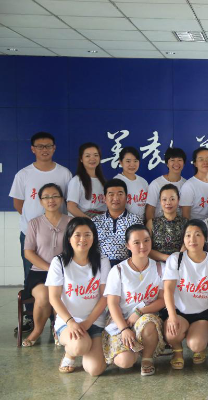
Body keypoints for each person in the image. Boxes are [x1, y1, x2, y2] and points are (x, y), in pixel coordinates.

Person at [10, 132, 72, 333]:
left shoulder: (64, 173)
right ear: (33, 149)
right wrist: (38, 225)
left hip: (60, 232)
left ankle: (57, 320)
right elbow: (18, 204)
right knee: (31, 273)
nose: (44, 149)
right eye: (40, 146)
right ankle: (30, 317)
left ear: (54, 148)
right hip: (32, 233)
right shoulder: (23, 174)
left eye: (48, 146)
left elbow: (68, 201)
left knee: (62, 275)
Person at [45, 217, 110, 376]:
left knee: (95, 370)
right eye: (77, 235)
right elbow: (54, 298)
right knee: (80, 346)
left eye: (87, 235)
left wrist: (88, 322)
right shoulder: (58, 262)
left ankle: (89, 347)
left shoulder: (102, 261)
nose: (83, 239)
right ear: (69, 238)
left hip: (94, 320)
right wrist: (71, 322)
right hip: (68, 322)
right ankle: (70, 354)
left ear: (94, 237)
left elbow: (105, 296)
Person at [162, 219, 208, 369]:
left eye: (197, 235)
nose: (192, 239)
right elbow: (168, 290)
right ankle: (177, 350)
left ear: (205, 238)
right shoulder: (175, 259)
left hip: (202, 314)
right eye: (188, 235)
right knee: (172, 334)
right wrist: (172, 316)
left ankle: (199, 347)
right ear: (184, 239)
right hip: (179, 312)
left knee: (196, 344)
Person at [102, 225, 166, 376]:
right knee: (125, 362)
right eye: (136, 242)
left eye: (146, 240)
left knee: (149, 322)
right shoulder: (118, 270)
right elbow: (112, 303)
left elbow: (163, 300)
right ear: (128, 245)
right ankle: (132, 349)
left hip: (146, 317)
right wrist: (124, 329)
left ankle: (147, 358)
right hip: (120, 319)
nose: (142, 246)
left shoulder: (160, 268)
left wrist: (139, 311)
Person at [22, 183, 73, 346]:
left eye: (55, 196)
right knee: (44, 296)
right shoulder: (34, 223)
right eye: (46, 197)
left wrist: (62, 269)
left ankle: (59, 329)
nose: (51, 200)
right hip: (40, 272)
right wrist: (51, 269)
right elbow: (28, 252)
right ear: (40, 201)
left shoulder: (71, 222)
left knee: (64, 296)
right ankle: (37, 330)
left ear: (62, 199)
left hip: (66, 271)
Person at [92, 179, 143, 266]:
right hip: (100, 267)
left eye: (120, 194)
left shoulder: (135, 220)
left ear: (126, 198)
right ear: (104, 198)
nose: (115, 198)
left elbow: (139, 248)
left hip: (127, 266)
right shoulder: (95, 221)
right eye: (111, 194)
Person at [147, 184, 187, 263]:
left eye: (172, 199)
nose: (168, 203)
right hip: (156, 266)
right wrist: (169, 258)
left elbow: (188, 245)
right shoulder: (151, 223)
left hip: (179, 264)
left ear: (178, 200)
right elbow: (146, 248)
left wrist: (178, 259)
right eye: (164, 199)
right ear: (160, 201)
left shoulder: (186, 223)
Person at [67, 142, 107, 218]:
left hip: (102, 218)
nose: (92, 158)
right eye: (87, 156)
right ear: (81, 159)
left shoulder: (103, 181)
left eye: (96, 155)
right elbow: (71, 207)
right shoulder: (77, 181)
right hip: (85, 219)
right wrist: (88, 220)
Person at [145, 147, 187, 220]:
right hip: (159, 224)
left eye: (179, 160)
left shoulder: (186, 184)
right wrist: (152, 226)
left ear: (184, 163)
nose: (176, 163)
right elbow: (150, 210)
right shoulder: (156, 184)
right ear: (167, 163)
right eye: (172, 160)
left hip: (180, 225)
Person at [180, 147, 208, 221]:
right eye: (201, 159)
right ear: (195, 163)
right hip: (196, 226)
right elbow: (185, 215)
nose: (205, 162)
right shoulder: (189, 186)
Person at [113, 147, 148, 219]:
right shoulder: (116, 181)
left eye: (135, 161)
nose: (132, 164)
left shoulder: (143, 182)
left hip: (141, 222)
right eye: (128, 161)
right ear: (121, 162)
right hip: (123, 222)